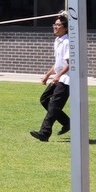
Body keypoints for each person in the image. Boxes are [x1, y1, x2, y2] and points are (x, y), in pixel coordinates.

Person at [30, 14, 71, 142]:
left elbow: (70, 64)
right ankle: (67, 122)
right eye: (55, 24)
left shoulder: (68, 42)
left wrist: (58, 76)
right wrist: (47, 75)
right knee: (44, 99)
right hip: (58, 77)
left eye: (58, 25)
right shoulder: (57, 41)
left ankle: (44, 132)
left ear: (65, 28)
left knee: (54, 104)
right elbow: (58, 63)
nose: (55, 27)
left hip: (67, 79)